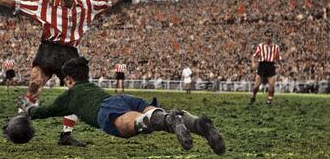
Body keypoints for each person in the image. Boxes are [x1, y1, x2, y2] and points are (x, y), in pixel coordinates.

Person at [0, 0, 142, 146]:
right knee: (35, 84)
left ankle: (65, 135)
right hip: (48, 49)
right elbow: (18, 3)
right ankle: (19, 122)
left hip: (69, 53)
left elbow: (112, 1)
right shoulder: (45, 5)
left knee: (77, 95)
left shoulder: (87, 6)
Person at [18, 57, 226, 155]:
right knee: (154, 114)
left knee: (130, 125)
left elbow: (43, 112)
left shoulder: (69, 96)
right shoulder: (92, 86)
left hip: (105, 111)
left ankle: (171, 120)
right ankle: (197, 124)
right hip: (123, 98)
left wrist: (27, 108)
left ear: (69, 80)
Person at [250, 29, 281, 105]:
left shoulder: (276, 47)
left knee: (271, 85)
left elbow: (278, 58)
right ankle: (253, 96)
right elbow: (254, 56)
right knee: (256, 86)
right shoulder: (260, 46)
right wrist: (253, 64)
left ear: (272, 37)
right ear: (264, 36)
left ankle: (269, 100)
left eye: (270, 36)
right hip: (262, 65)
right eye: (267, 36)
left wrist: (280, 65)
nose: (268, 37)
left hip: (271, 65)